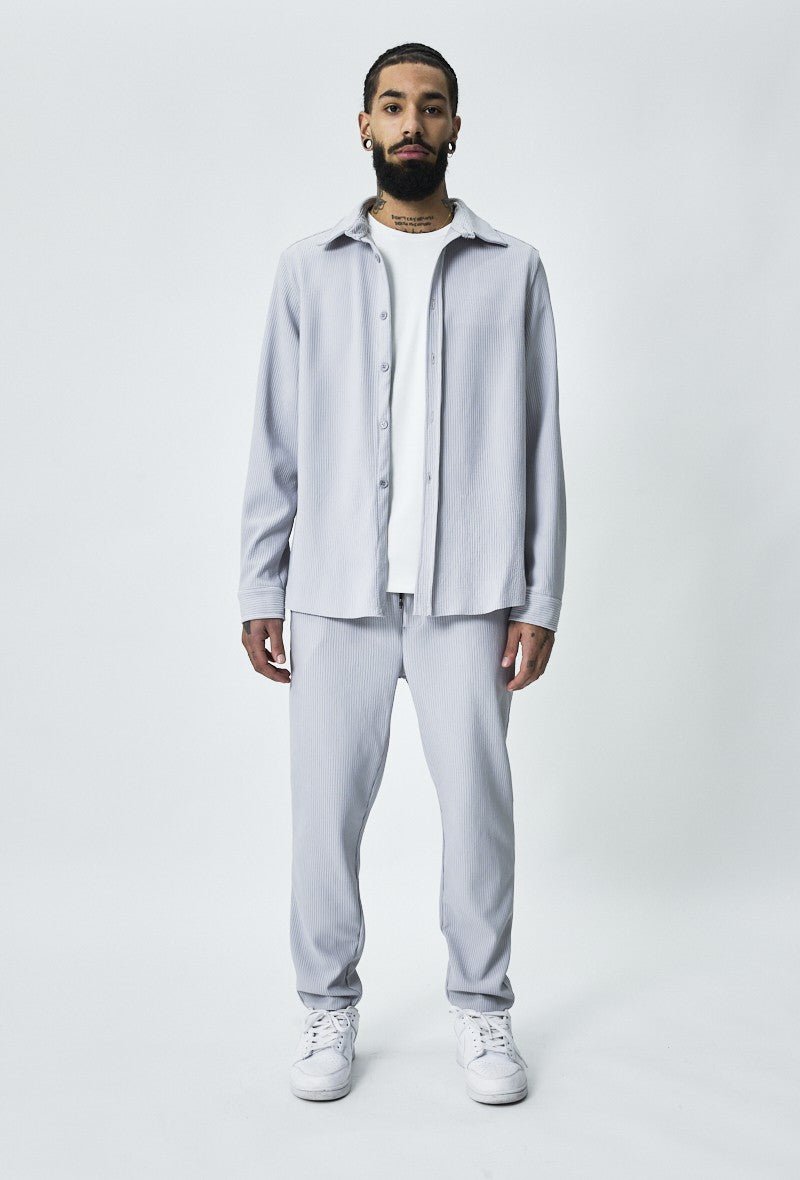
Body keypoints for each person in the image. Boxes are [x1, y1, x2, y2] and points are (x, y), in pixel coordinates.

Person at [238, 42, 566, 1105]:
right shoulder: (309, 267)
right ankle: (326, 1005)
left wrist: (540, 596)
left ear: (456, 127)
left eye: (430, 106)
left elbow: (540, 444)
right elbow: (275, 438)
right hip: (334, 589)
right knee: (324, 815)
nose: (411, 122)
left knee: (477, 811)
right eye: (392, 105)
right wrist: (261, 584)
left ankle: (482, 1007)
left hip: (470, 590)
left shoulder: (512, 268)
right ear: (365, 126)